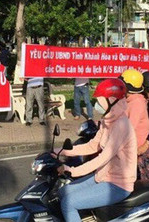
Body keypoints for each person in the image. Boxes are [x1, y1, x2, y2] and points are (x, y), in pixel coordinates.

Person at [57, 79, 137, 222]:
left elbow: (102, 158)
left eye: (100, 101)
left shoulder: (121, 125)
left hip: (118, 184)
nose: (97, 105)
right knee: (63, 192)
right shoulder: (108, 119)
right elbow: (92, 146)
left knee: (69, 202)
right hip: (103, 176)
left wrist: (72, 171)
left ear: (111, 101)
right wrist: (61, 151)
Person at [120, 69, 149, 150]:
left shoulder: (137, 103)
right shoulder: (128, 100)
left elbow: (130, 127)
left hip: (134, 144)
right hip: (125, 141)